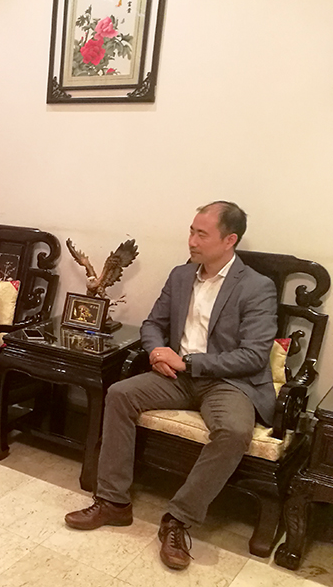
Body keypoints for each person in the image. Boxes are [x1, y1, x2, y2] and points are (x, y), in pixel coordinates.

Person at [65, 201, 277, 570]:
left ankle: (178, 519)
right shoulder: (181, 275)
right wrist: (156, 352)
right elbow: (153, 324)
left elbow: (254, 356)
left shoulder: (257, 287)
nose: (191, 240)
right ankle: (113, 501)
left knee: (234, 431)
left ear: (230, 240)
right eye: (192, 231)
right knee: (120, 394)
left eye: (202, 234)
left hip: (227, 383)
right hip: (176, 377)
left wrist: (189, 362)